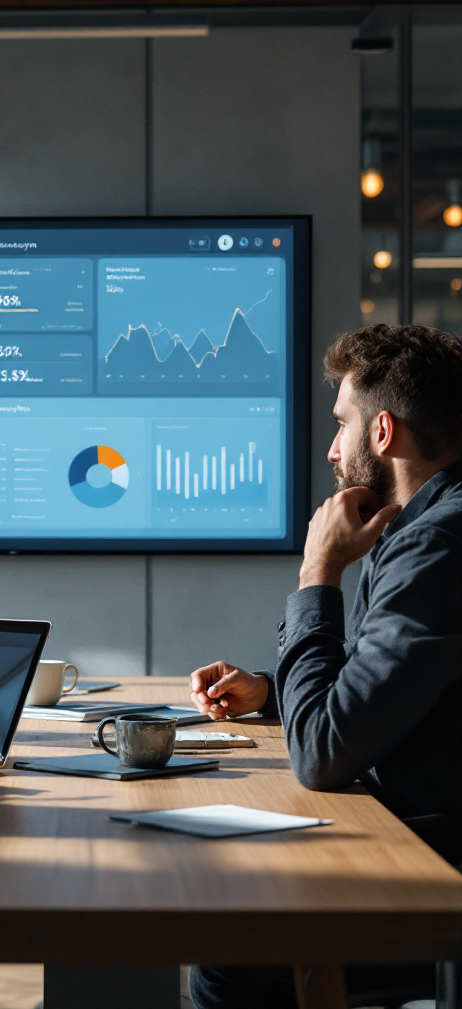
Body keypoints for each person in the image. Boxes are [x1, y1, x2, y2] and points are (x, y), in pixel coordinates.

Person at [186, 323, 462, 1009]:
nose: (333, 448)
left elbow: (322, 753)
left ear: (384, 432)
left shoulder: (440, 544)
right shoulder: (421, 525)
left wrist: (319, 571)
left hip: (434, 862)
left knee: (228, 957)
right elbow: (394, 688)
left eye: (343, 424)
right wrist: (275, 690)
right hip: (414, 837)